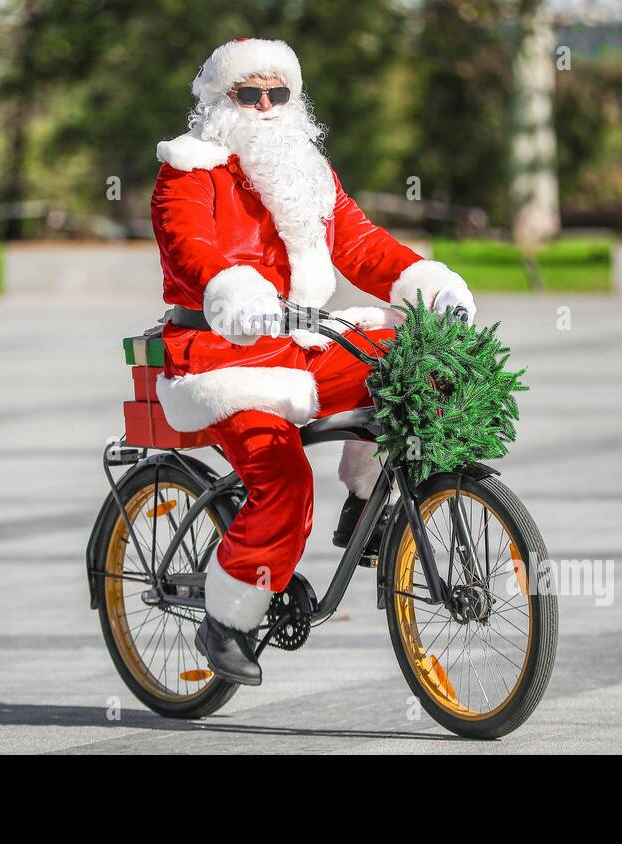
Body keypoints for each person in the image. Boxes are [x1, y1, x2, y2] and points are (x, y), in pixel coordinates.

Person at [150, 37, 475, 685]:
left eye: (280, 93)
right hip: (224, 359)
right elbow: (188, 246)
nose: (267, 106)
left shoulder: (306, 169)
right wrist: (231, 290)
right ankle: (228, 619)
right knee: (285, 481)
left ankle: (368, 501)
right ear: (221, 100)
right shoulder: (189, 172)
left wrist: (424, 281)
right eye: (250, 93)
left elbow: (359, 243)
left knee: (421, 358)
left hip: (300, 346)